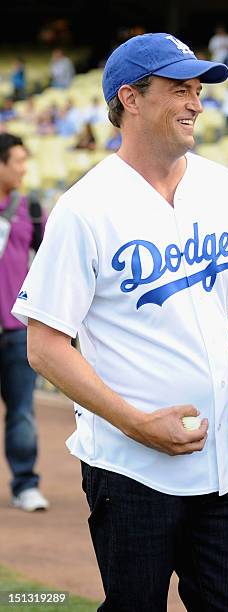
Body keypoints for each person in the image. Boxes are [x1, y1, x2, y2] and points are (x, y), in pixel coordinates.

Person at [12, 33, 228, 611]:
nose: (196, 102)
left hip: (226, 467)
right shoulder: (85, 207)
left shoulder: (222, 187)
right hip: (131, 468)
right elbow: (45, 344)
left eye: (199, 89)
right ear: (130, 98)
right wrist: (135, 423)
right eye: (179, 88)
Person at [0, 133, 47, 512]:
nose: (23, 168)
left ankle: (25, 484)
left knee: (22, 412)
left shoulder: (30, 208)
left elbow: (52, 258)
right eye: (17, 160)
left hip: (16, 331)